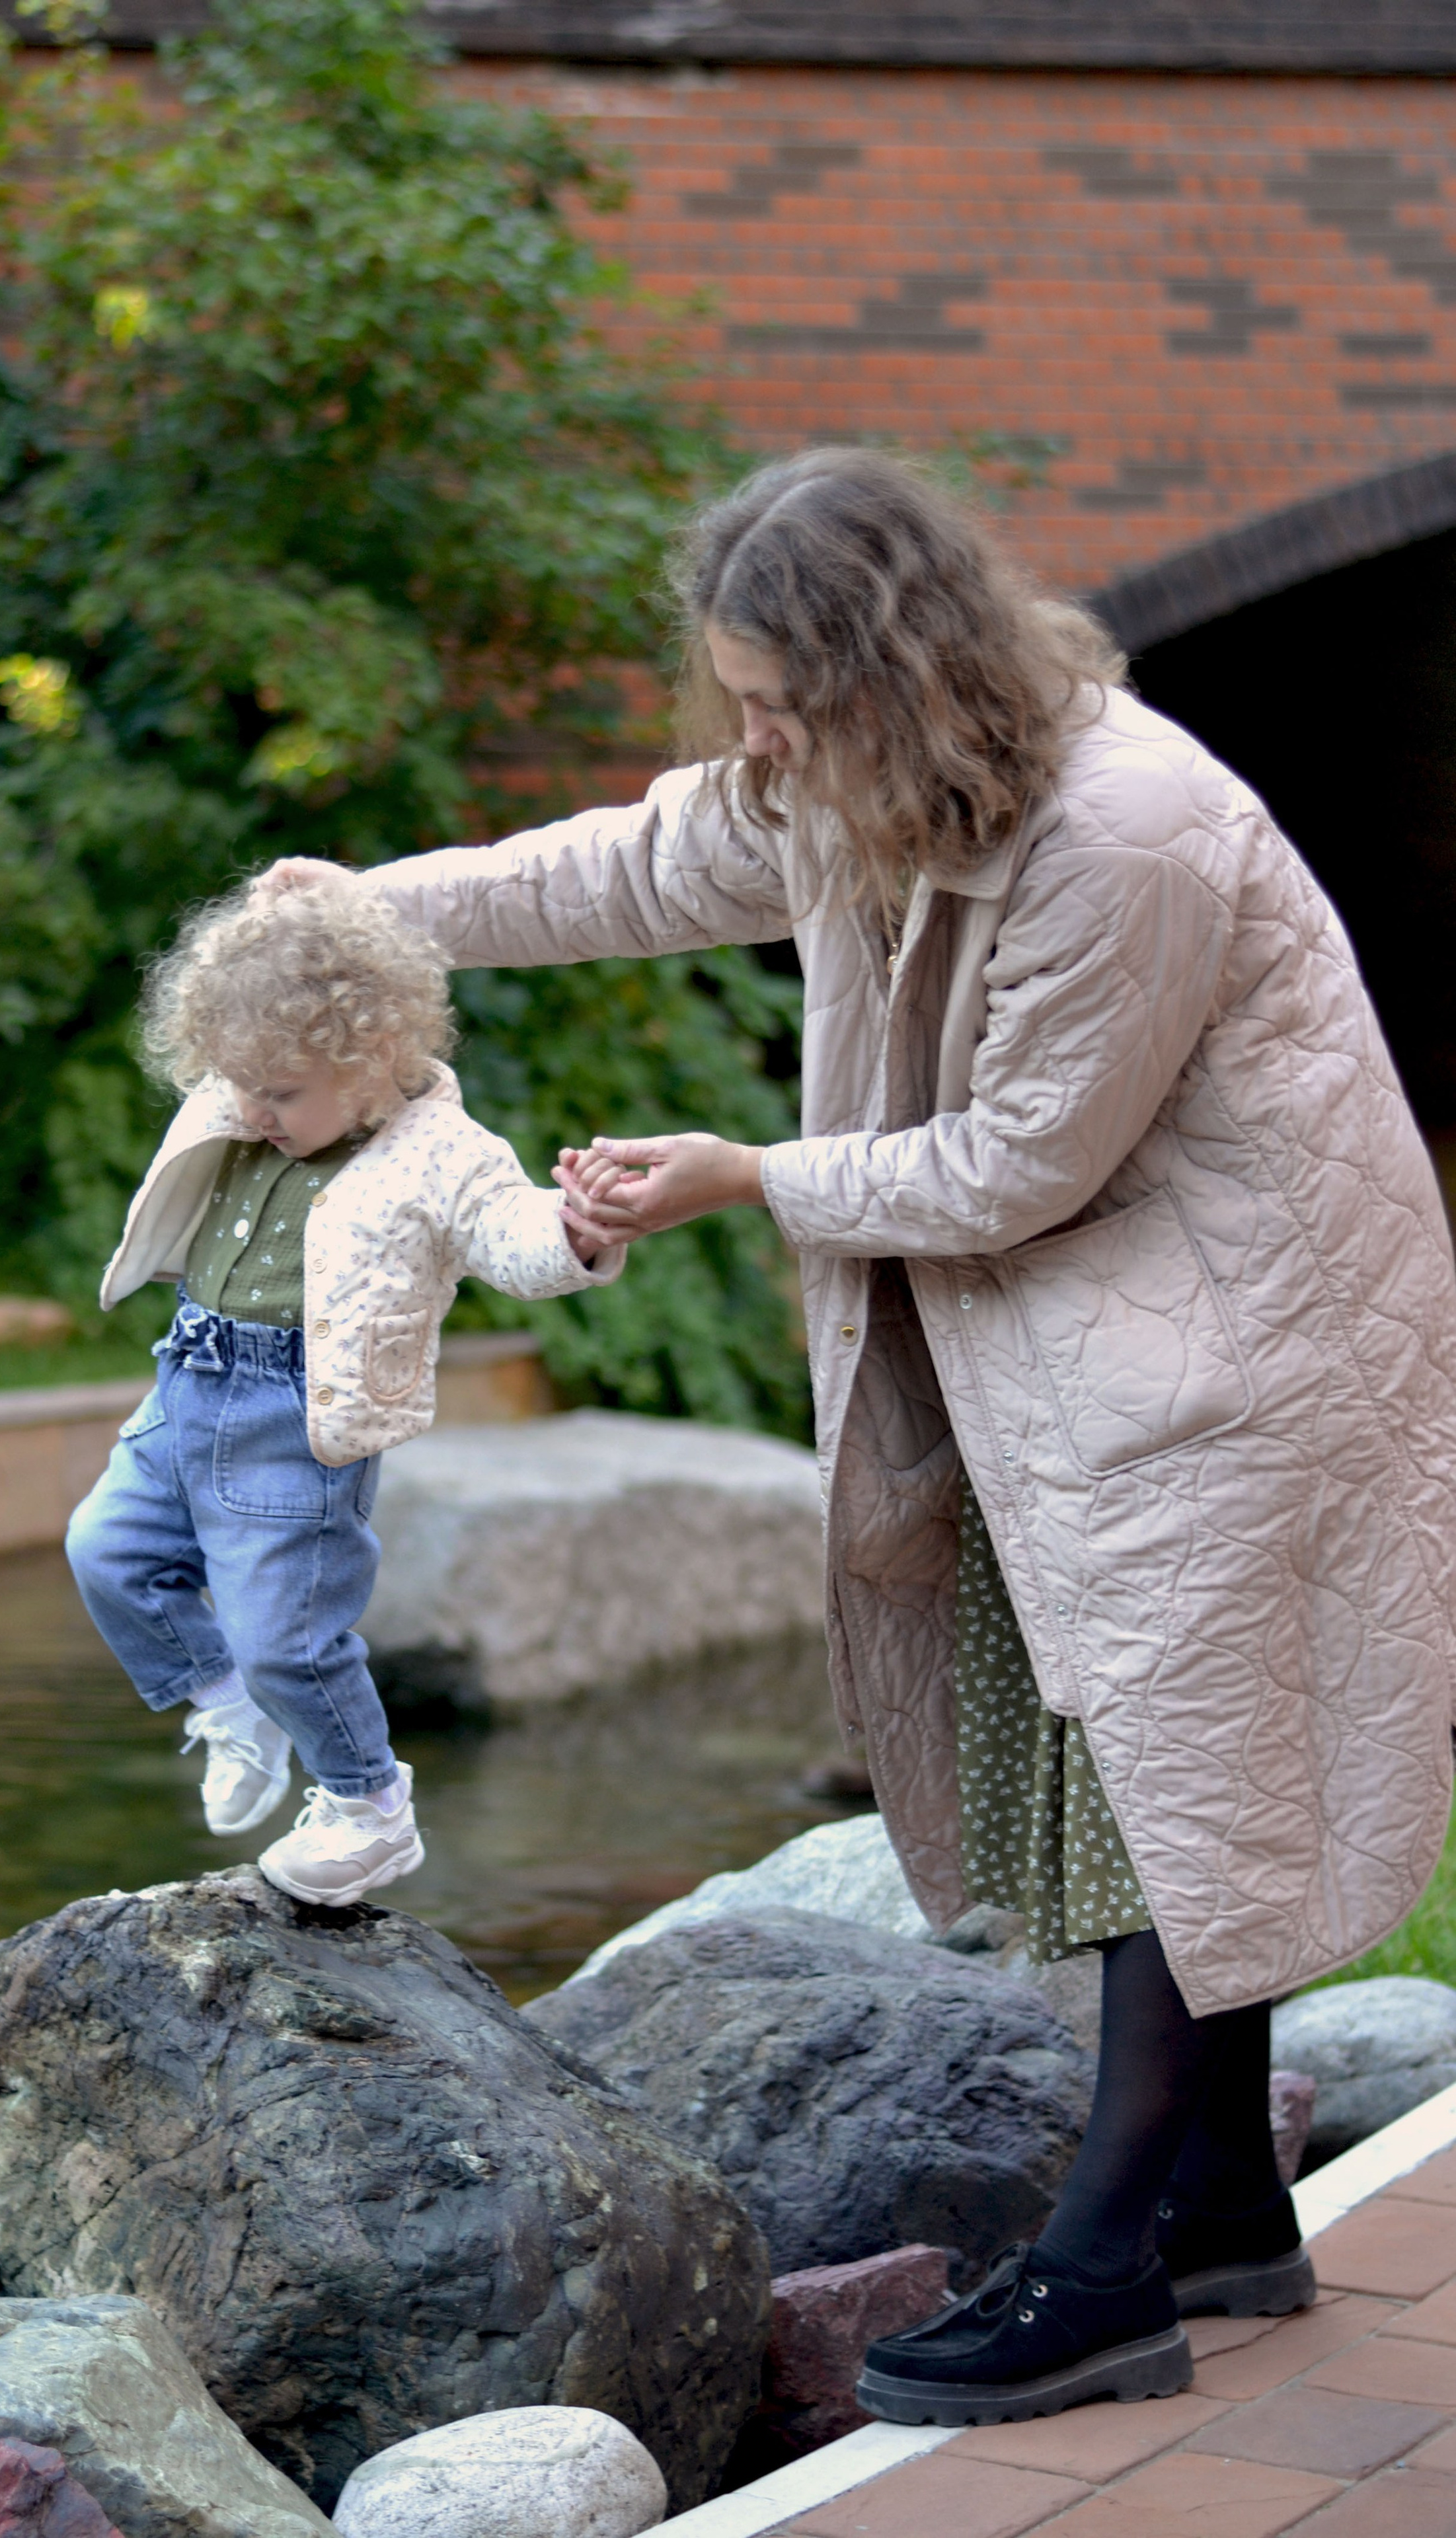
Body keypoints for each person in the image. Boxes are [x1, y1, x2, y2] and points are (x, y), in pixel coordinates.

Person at [274, 445, 1456, 2425]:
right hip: (1088, 1327)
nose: (747, 744)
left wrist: (746, 1171)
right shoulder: (851, 786)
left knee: (1171, 1758)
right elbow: (627, 865)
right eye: (734, 700)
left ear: (894, 676)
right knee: (1138, 1750)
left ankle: (1100, 2275)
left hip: (1247, 1332)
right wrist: (357, 919)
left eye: (777, 705)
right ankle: (1229, 2204)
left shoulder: (1130, 832)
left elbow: (1017, 1162)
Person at [65, 864, 620, 1906]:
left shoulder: (441, 1154)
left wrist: (576, 1226)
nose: (255, 1111)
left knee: (290, 1638)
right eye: (241, 1085)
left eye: (280, 1094)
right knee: (105, 1551)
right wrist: (286, 937)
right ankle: (225, 1705)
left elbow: (512, 1234)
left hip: (296, 1418)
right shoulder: (250, 1091)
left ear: (375, 1057)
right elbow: (277, 985)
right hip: (189, 1375)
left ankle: (369, 1808)